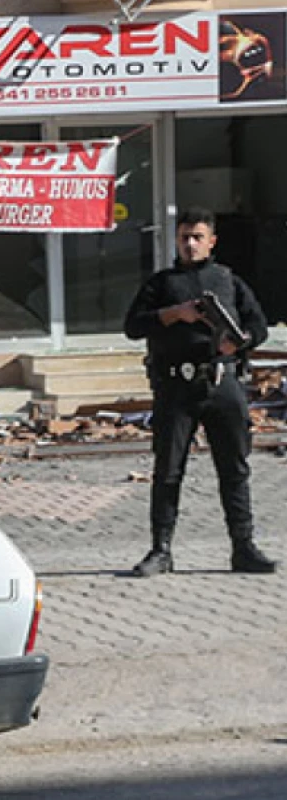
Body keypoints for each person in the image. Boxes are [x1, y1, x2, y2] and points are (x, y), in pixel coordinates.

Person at [124, 207, 275, 577]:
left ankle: (243, 547)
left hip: (223, 385)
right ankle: (161, 551)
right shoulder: (161, 284)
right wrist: (175, 314)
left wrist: (239, 344)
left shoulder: (228, 280)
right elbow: (132, 326)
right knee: (168, 471)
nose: (190, 244)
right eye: (184, 237)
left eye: (197, 237)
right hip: (177, 386)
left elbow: (258, 324)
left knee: (234, 469)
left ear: (212, 241)